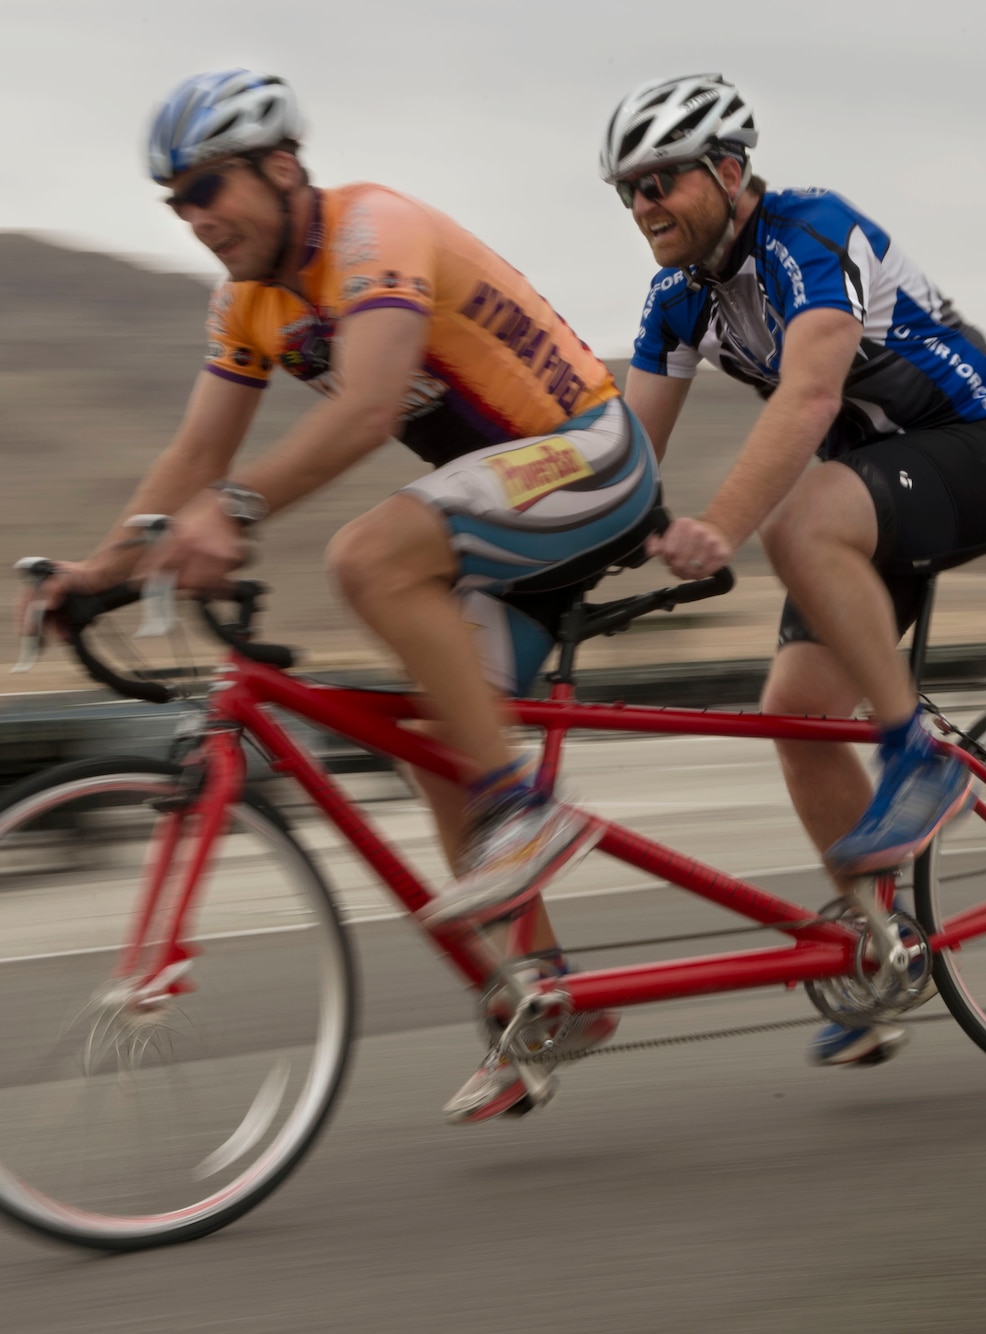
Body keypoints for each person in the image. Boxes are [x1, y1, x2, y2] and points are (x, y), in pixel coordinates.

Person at [34, 70, 658, 1122]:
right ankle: (545, 996)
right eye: (176, 203)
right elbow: (197, 448)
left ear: (281, 167)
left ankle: (526, 814)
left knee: (368, 555)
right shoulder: (249, 303)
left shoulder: (373, 232)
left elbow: (368, 405)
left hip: (588, 461)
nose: (195, 219)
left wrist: (233, 511)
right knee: (435, 737)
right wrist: (101, 571)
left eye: (208, 189)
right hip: (503, 517)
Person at [602, 74, 986, 1068]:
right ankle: (883, 950)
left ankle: (916, 755)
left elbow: (805, 401)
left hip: (975, 448)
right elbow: (627, 457)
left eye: (660, 181)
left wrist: (717, 524)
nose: (642, 207)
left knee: (792, 522)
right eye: (625, 191)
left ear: (727, 170)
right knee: (796, 713)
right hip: (878, 490)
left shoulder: (808, 233)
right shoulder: (676, 300)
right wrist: (551, 558)